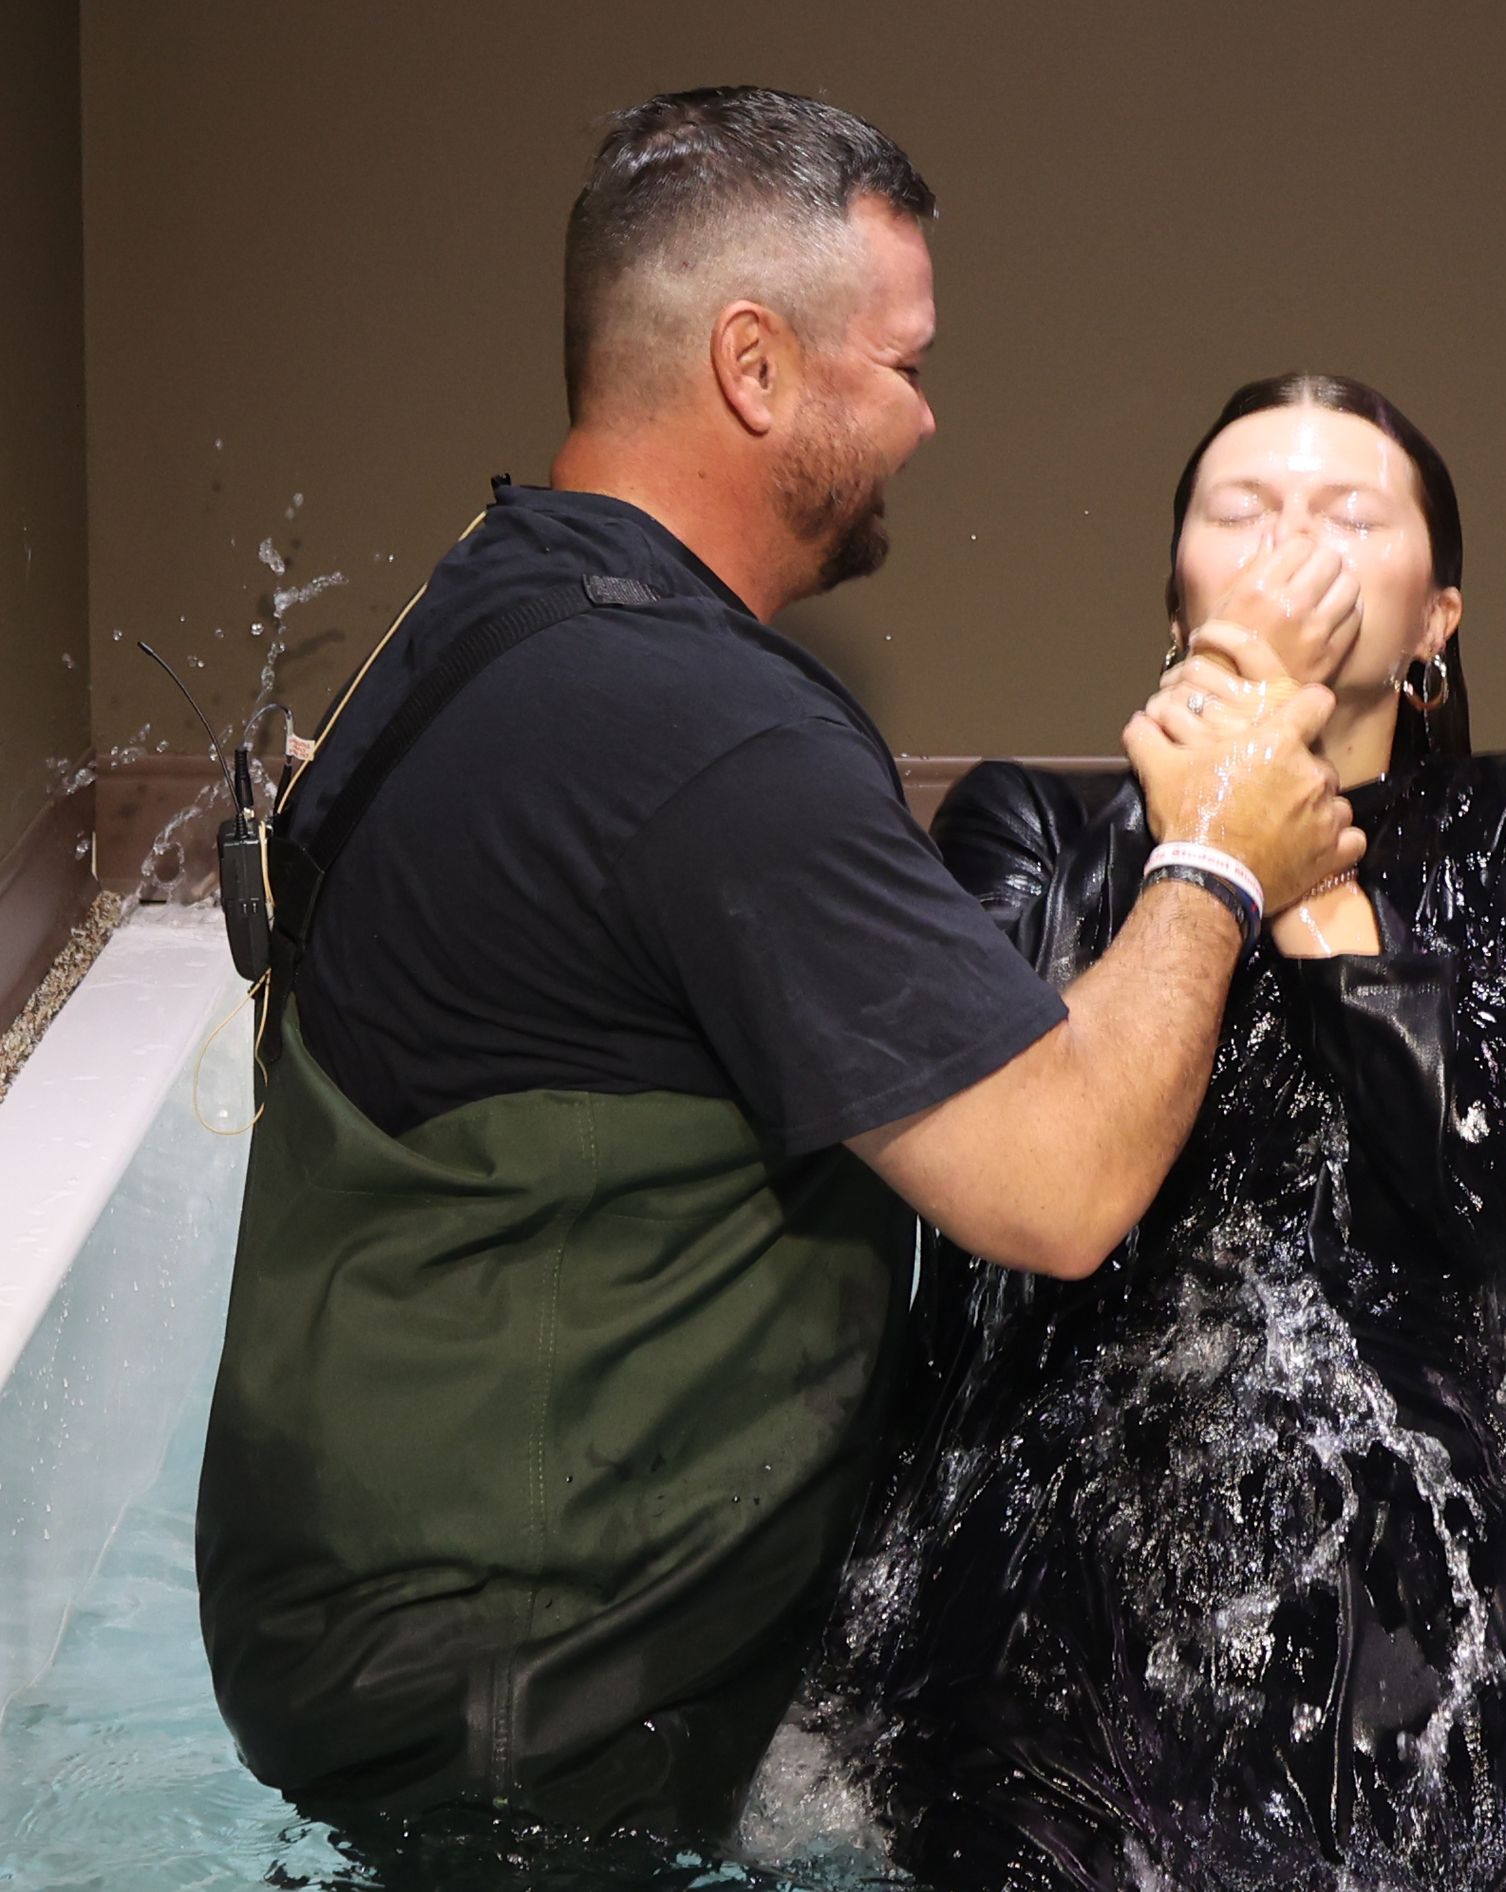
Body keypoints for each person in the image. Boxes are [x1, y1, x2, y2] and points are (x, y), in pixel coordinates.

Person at [192, 94, 1362, 1849]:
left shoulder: (488, 610)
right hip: (524, 1709)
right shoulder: (704, 736)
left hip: (357, 1636)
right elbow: (1058, 1188)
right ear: (755, 368)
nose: (925, 417)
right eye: (900, 365)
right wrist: (1212, 855)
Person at [828, 374, 1506, 1891]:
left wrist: (1313, 888)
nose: (1294, 542)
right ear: (1179, 599)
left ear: (1436, 625)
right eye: (1244, 510)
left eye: (1349, 514)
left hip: (1425, 1591)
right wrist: (1206, 839)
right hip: (1058, 1597)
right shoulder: (1028, 830)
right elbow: (995, 1184)